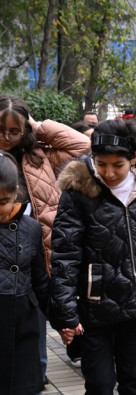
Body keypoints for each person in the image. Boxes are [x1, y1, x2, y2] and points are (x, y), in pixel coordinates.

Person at [48, 118, 136, 394]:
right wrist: (66, 312)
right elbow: (65, 254)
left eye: (118, 165)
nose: (109, 173)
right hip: (94, 305)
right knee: (99, 383)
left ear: (134, 158)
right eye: (101, 164)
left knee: (134, 380)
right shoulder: (78, 191)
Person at [0, 94, 91, 388]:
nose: (6, 137)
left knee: (34, 338)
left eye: (15, 130)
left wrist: (39, 126)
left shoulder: (40, 155)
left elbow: (84, 146)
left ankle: (35, 383)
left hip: (35, 253)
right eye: (1, 130)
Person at [0, 151, 49, 394]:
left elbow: (41, 280)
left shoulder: (31, 227)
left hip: (24, 322)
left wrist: (65, 321)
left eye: (3, 201)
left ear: (16, 193)